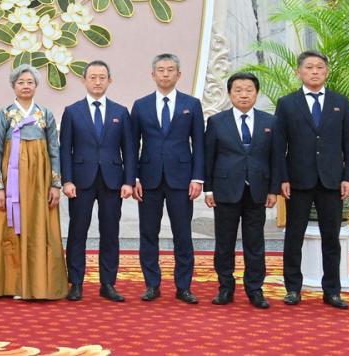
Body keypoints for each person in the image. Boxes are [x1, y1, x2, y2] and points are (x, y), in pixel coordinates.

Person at [277, 50, 349, 309]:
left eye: (320, 67)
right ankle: (293, 288)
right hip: (298, 180)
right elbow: (279, 145)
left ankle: (332, 291)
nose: (315, 71)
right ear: (298, 72)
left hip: (331, 181)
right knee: (294, 236)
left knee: (331, 237)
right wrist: (282, 177)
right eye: (309, 67)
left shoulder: (340, 102)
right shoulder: (287, 103)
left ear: (327, 72)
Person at [0, 64, 68, 300]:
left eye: (30, 82)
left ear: (36, 86)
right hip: (10, 182)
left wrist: (55, 184)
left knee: (38, 227)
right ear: (13, 86)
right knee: (9, 227)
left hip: (39, 182)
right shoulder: (5, 113)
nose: (26, 86)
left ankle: (39, 284)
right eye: (21, 82)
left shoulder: (45, 114)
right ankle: (9, 284)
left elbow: (54, 150)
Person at [130, 53, 204, 304]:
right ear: (153, 74)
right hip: (148, 180)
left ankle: (184, 287)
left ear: (179, 74)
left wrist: (198, 178)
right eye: (160, 70)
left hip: (181, 180)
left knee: (182, 234)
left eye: (170, 69)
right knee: (148, 233)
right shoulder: (140, 105)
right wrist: (133, 178)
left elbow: (199, 144)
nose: (165, 74)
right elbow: (132, 145)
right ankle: (152, 284)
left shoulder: (191, 104)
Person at [59, 60, 135, 302]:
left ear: (109, 80)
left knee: (110, 232)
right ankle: (76, 282)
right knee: (77, 231)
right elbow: (65, 150)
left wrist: (129, 181)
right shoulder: (72, 111)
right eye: (93, 77)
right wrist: (67, 180)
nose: (98, 82)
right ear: (84, 80)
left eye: (102, 77)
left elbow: (129, 149)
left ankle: (108, 283)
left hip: (113, 181)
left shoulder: (120, 112)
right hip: (81, 181)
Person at [204, 72, 280, 309]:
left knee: (255, 242)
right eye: (238, 90)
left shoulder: (270, 122)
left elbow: (276, 158)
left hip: (258, 190)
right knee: (224, 242)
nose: (244, 94)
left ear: (256, 93)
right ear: (229, 94)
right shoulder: (217, 122)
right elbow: (209, 157)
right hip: (225, 189)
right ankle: (225, 287)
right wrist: (208, 189)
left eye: (249, 90)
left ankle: (255, 289)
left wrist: (273, 190)